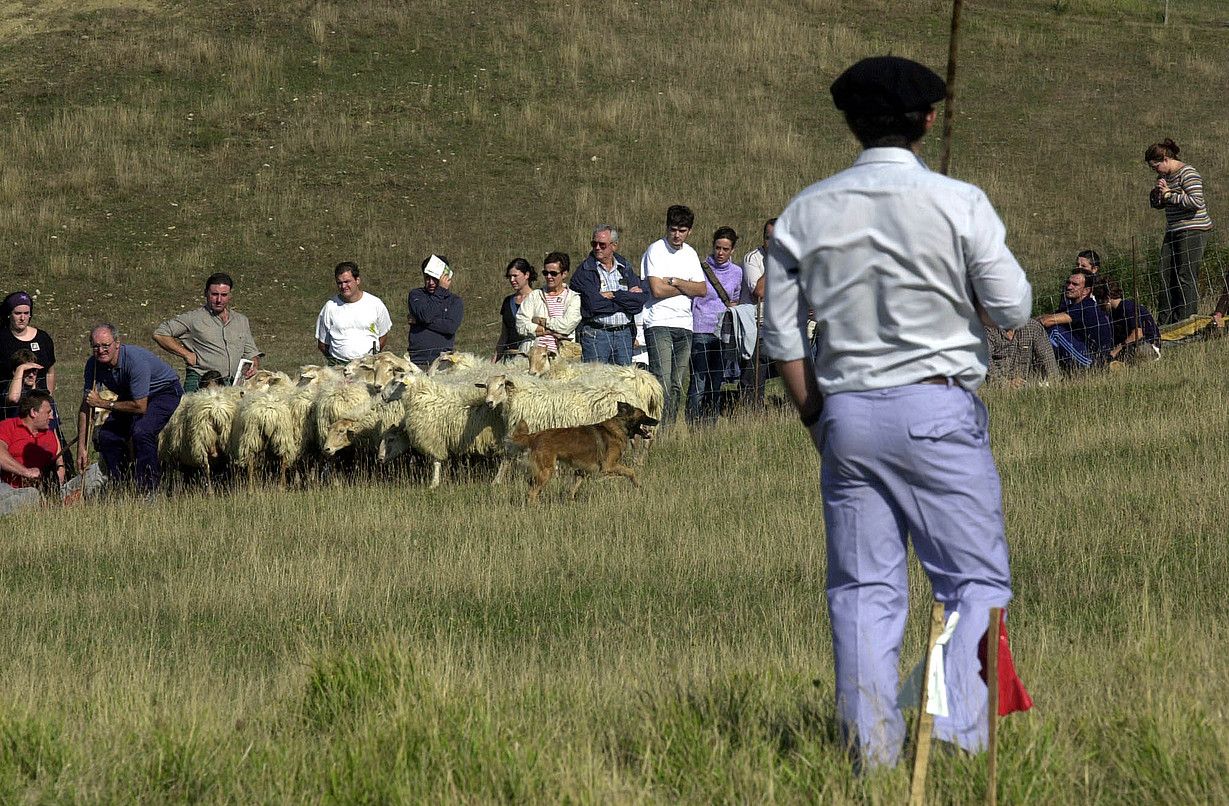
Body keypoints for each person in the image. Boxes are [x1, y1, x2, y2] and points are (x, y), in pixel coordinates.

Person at [762, 56, 1032, 769]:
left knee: (860, 592)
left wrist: (814, 418)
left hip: (844, 412)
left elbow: (781, 338)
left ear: (849, 122)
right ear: (929, 119)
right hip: (937, 407)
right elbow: (1012, 308)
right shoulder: (958, 200)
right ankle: (959, 737)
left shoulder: (804, 211)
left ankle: (871, 758)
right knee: (973, 583)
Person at [76, 324, 183, 494]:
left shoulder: (134, 361)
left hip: (164, 392)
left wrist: (104, 404)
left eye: (106, 345)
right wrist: (81, 447)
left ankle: (148, 489)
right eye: (96, 346)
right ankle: (121, 485)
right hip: (131, 395)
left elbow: (140, 407)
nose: (101, 350)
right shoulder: (93, 365)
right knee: (107, 436)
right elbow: (86, 405)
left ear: (117, 343)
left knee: (142, 431)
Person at [640, 205, 707, 425]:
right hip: (659, 322)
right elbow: (656, 290)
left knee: (677, 383)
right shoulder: (655, 250)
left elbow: (702, 289)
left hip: (685, 324)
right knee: (662, 380)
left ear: (690, 231)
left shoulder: (690, 253)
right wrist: (687, 286)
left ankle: (668, 429)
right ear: (667, 228)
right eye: (673, 229)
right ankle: (657, 427)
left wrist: (675, 281)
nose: (677, 235)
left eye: (682, 230)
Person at [153, 272, 263, 391]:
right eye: (214, 294)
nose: (219, 300)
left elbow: (251, 352)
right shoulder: (193, 318)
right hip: (201, 382)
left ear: (230, 295)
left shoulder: (241, 320)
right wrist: (186, 354)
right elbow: (160, 333)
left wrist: (254, 366)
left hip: (232, 386)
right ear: (206, 293)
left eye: (224, 295)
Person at [1146, 139, 1214, 325]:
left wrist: (1170, 195)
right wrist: (1159, 197)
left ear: (1165, 159)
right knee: (1165, 273)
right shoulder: (1166, 177)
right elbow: (1165, 202)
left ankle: (1186, 320)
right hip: (1173, 229)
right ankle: (1166, 321)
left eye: (1155, 166)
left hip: (1193, 229)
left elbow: (1196, 202)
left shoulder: (1188, 173)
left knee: (1185, 275)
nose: (1155, 171)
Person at [688, 226, 742, 423]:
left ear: (732, 250)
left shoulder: (737, 273)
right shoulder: (700, 268)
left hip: (723, 333)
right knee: (699, 380)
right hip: (701, 329)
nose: (720, 253)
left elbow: (735, 299)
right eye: (718, 247)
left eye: (725, 249)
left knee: (716, 380)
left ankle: (709, 422)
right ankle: (692, 422)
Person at [570, 225, 647, 365]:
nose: (597, 247)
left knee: (623, 382)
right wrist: (625, 300)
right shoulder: (584, 271)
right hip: (597, 335)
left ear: (614, 246)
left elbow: (639, 302)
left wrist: (614, 295)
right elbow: (593, 305)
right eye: (594, 244)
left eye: (602, 244)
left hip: (624, 334)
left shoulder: (625, 268)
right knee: (596, 383)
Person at [0, 390, 65, 514]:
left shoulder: (50, 436)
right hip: (6, 488)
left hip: (39, 493)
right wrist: (26, 472)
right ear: (33, 412)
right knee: (31, 495)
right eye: (48, 412)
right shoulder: (7, 426)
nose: (52, 417)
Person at [315, 262, 392, 364]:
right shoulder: (330, 307)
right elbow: (322, 344)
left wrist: (371, 358)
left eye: (347, 281)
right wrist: (335, 362)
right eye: (339, 283)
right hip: (339, 367)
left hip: (367, 366)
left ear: (357, 280)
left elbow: (383, 335)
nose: (343, 286)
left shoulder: (375, 304)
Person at [1038, 270, 1113, 370]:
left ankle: (1048, 372)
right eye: (1068, 283)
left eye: (1075, 284)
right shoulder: (1073, 307)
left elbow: (1047, 321)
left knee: (1055, 331)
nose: (1069, 287)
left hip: (1093, 362)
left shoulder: (1086, 307)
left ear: (1086, 290)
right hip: (1083, 353)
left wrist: (1027, 325)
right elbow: (1049, 316)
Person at [0, 291, 56, 421]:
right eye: (18, 313)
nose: (22, 318)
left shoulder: (43, 338)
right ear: (9, 314)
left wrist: (49, 398)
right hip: (10, 405)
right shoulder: (2, 339)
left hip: (39, 402)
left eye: (26, 313)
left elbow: (50, 372)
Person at [516, 252, 581, 356]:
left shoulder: (573, 298)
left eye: (553, 273)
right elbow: (521, 324)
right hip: (532, 355)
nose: (549, 277)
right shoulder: (534, 296)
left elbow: (567, 326)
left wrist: (542, 321)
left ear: (564, 274)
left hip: (561, 357)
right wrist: (548, 331)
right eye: (545, 273)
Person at [739, 219, 776, 402]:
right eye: (769, 238)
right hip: (756, 324)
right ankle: (751, 410)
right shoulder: (752, 258)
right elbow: (759, 291)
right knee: (755, 372)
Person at [408, 254, 464, 369]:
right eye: (427, 278)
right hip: (418, 361)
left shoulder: (455, 301)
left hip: (442, 361)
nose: (431, 283)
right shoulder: (416, 295)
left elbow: (450, 327)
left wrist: (418, 321)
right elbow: (426, 315)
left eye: (435, 278)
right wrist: (423, 317)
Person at [1100, 278, 1161, 364]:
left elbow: (1137, 334)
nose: (1100, 305)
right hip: (1132, 346)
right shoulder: (1114, 312)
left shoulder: (1127, 307)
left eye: (1100, 300)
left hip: (1148, 345)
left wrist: (1115, 352)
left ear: (1107, 298)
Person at [984, 321, 1060, 387]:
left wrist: (1054, 382)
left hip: (1029, 389)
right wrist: (1005, 384)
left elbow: (1049, 361)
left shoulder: (1033, 327)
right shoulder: (988, 330)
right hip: (995, 390)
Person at [494, 258, 537, 361]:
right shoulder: (508, 301)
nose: (512, 280)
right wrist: (494, 359)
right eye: (510, 276)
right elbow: (504, 334)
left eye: (515, 276)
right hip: (509, 358)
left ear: (526, 275)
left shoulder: (538, 299)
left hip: (530, 357)